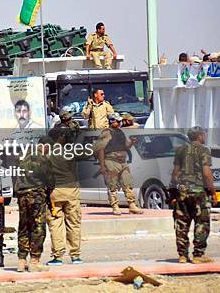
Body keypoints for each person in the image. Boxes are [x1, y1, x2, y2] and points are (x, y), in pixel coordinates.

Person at [171, 126, 216, 264]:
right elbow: (207, 174)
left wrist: (173, 192)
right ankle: (198, 255)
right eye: (204, 135)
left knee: (181, 224)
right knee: (201, 223)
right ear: (200, 136)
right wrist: (213, 192)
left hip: (182, 192)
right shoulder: (204, 150)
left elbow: (175, 173)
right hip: (199, 193)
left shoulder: (180, 150)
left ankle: (182, 255)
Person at [14, 136, 54, 272]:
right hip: (36, 195)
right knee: (38, 227)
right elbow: (50, 179)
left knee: (24, 226)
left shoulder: (23, 154)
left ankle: (21, 260)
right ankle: (35, 261)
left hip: (22, 194)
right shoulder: (43, 158)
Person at [45, 128, 85, 266]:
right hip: (71, 191)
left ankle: (57, 256)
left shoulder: (48, 153)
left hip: (54, 193)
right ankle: (75, 256)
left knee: (55, 224)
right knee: (74, 223)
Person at [94, 113, 143, 215]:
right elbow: (100, 150)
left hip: (122, 161)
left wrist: (132, 142)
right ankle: (115, 206)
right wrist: (102, 166)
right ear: (112, 121)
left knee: (127, 182)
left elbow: (126, 146)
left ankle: (132, 205)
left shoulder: (120, 132)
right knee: (113, 185)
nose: (120, 122)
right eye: (118, 121)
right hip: (111, 161)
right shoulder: (107, 133)